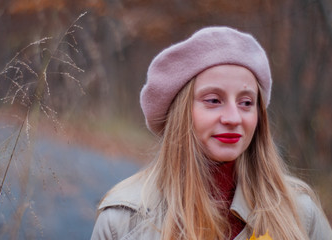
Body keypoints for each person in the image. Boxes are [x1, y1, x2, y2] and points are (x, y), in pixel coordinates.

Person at [90, 26, 332, 240]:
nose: (233, 118)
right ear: (181, 113)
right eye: (214, 100)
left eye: (246, 103)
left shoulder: (300, 213)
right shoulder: (122, 222)